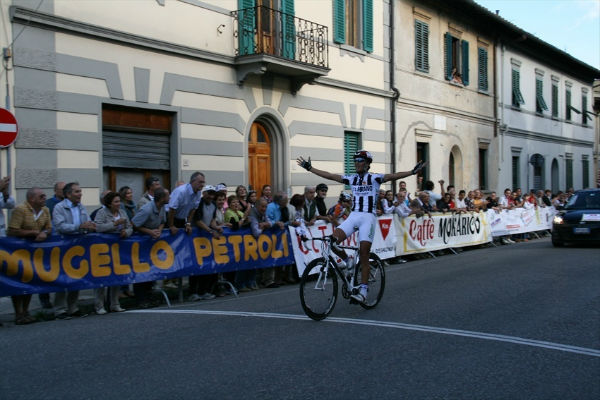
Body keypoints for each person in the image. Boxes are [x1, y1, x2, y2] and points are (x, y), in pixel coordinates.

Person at [297, 150, 425, 304]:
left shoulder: (375, 177)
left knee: (364, 253)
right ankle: (348, 261)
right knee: (332, 241)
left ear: (367, 164)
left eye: (360, 160)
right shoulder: (352, 178)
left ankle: (363, 290)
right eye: (355, 160)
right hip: (354, 216)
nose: (357, 162)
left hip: (368, 218)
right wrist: (310, 168)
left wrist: (412, 172)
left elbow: (393, 176)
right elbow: (330, 176)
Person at [7, 187, 52, 324]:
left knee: (31, 279)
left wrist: (45, 233)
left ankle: (26, 311)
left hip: (35, 252)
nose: (44, 198)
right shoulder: (20, 209)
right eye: (41, 196)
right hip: (18, 251)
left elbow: (49, 227)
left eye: (44, 196)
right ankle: (18, 313)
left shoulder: (46, 210)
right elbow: (12, 230)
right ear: (31, 198)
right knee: (18, 280)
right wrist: (33, 233)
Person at [52, 182, 96, 318]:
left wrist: (89, 225)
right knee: (62, 278)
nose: (80, 194)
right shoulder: (59, 207)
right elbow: (60, 226)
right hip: (64, 245)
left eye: (80, 191)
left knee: (76, 276)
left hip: (78, 246)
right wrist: (79, 226)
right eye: (77, 192)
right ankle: (60, 309)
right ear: (68, 194)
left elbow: (86, 221)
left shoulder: (81, 207)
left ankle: (73, 307)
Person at [94, 191, 133, 313]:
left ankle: (114, 303)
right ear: (109, 204)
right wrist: (114, 224)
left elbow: (129, 226)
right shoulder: (101, 213)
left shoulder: (122, 212)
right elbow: (98, 227)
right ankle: (99, 305)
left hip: (118, 248)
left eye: (119, 201)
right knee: (101, 277)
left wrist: (126, 232)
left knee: (117, 275)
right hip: (103, 248)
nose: (118, 204)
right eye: (116, 202)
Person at [131, 187, 170, 308]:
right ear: (162, 198)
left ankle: (149, 296)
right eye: (168, 195)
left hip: (153, 244)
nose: (170, 198)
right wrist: (149, 232)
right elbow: (134, 224)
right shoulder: (146, 210)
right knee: (142, 271)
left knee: (151, 270)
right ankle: (141, 300)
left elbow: (163, 221)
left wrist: (159, 230)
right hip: (142, 243)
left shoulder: (162, 207)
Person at [191, 185, 219, 300]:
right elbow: (197, 221)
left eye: (213, 194)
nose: (211, 196)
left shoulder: (213, 205)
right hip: (196, 237)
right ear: (204, 193)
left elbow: (212, 220)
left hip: (207, 238)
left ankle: (204, 291)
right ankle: (193, 292)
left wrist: (217, 228)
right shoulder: (199, 203)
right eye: (209, 193)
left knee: (207, 265)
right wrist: (210, 230)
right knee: (195, 265)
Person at [249, 198, 274, 287]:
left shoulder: (264, 213)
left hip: (261, 242)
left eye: (265, 207)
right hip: (251, 243)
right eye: (262, 207)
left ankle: (265, 280)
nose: (264, 209)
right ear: (257, 206)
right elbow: (256, 233)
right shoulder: (252, 214)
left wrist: (264, 224)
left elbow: (270, 223)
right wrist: (264, 227)